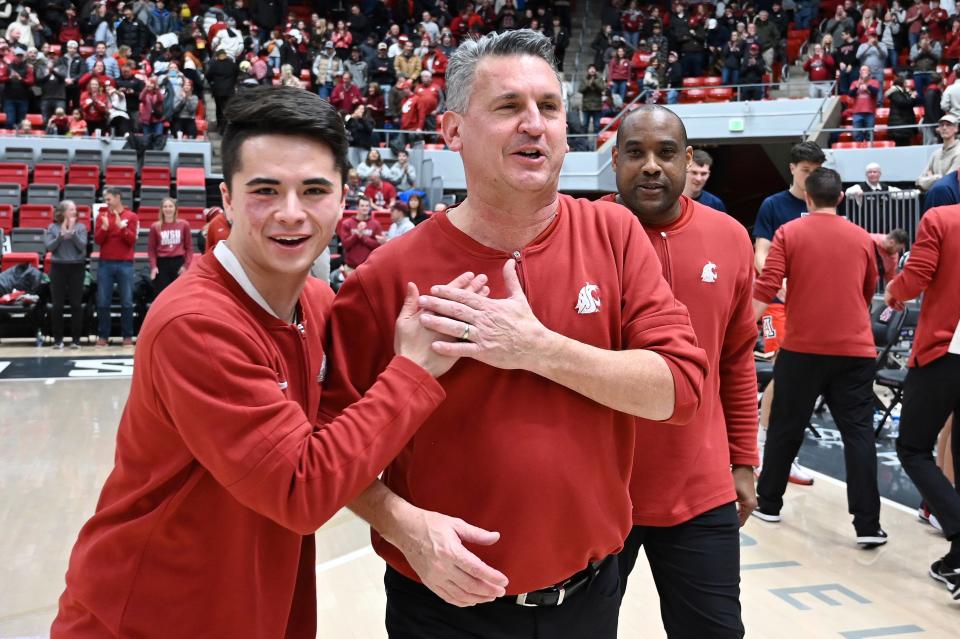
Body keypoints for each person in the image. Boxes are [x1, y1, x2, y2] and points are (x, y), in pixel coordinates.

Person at [319, 29, 707, 638]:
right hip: (443, 609)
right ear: (451, 132)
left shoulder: (615, 235)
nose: (535, 124)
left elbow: (678, 392)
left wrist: (536, 349)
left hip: (589, 598)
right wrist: (403, 527)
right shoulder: (385, 279)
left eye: (549, 107)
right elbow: (334, 452)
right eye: (508, 108)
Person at [52, 85, 467, 637]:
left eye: (314, 189)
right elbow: (301, 489)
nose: (290, 214)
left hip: (253, 606)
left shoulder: (317, 304)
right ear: (226, 198)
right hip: (146, 616)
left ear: (344, 198)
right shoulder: (196, 325)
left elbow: (337, 433)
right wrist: (412, 374)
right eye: (265, 190)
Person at [605, 105, 758, 637]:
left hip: (702, 489)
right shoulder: (582, 236)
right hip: (599, 492)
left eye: (666, 153)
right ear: (614, 162)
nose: (651, 166)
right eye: (635, 153)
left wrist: (743, 459)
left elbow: (737, 359)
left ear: (688, 161)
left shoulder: (731, 238)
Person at [752, 167, 886, 548]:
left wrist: (742, 326)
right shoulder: (862, 238)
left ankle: (770, 502)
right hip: (856, 350)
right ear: (840, 198)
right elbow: (867, 291)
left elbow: (768, 285)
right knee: (858, 435)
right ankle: (868, 525)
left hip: (804, 348)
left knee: (785, 427)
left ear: (807, 198)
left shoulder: (789, 232)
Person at [886, 205, 960, 602]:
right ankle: (956, 560)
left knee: (912, 446)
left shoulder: (942, 219)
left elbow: (915, 279)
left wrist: (895, 291)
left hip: (945, 350)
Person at [755, 141, 826, 487]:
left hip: (812, 303)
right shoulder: (774, 204)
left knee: (799, 381)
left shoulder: (821, 207)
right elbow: (761, 251)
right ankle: (764, 449)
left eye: (816, 172)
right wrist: (777, 283)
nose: (811, 177)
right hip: (779, 301)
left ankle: (778, 452)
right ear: (794, 169)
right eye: (806, 171)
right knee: (786, 375)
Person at [93, 187, 139, 347]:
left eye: (109, 199)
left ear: (118, 197)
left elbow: (132, 240)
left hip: (125, 264)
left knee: (126, 302)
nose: (107, 202)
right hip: (105, 263)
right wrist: (104, 228)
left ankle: (127, 336)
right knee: (103, 302)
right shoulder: (102, 216)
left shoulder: (131, 217)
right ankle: (103, 336)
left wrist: (122, 228)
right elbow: (98, 241)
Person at [44, 200, 87, 349]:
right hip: (58, 268)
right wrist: (60, 235)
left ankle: (76, 340)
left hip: (77, 267)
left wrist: (73, 234)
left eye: (75, 209)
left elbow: (82, 247)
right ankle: (58, 340)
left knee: (76, 304)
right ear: (62, 213)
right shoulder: (52, 227)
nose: (74, 212)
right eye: (71, 209)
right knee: (57, 305)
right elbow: (49, 247)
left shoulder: (81, 227)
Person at [147, 197, 194, 294]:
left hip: (178, 262)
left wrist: (186, 265)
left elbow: (189, 247)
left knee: (179, 294)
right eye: (165, 207)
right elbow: (151, 250)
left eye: (170, 206)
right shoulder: (155, 226)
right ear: (161, 209)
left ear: (175, 209)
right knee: (162, 294)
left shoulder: (184, 225)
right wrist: (153, 266)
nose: (168, 209)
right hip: (162, 264)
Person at [338, 195, 383, 272]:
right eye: (362, 206)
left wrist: (363, 237)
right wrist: (357, 234)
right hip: (350, 268)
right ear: (357, 207)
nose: (365, 208)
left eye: (367, 206)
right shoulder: (347, 223)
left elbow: (378, 246)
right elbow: (345, 245)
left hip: (369, 268)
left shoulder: (375, 224)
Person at [918, 114, 960, 191]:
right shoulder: (935, 154)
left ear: (956, 129)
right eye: (942, 125)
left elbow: (948, 182)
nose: (944, 128)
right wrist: (938, 177)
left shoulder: (958, 152)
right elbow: (919, 181)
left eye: (948, 125)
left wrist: (931, 177)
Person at [849, 65, 880, 142]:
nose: (864, 72)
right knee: (856, 134)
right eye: (862, 70)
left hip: (870, 112)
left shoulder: (874, 82)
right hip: (857, 112)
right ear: (859, 72)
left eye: (865, 70)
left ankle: (869, 150)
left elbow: (875, 92)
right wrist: (858, 84)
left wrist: (867, 85)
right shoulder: (855, 83)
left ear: (869, 72)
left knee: (870, 134)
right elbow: (850, 94)